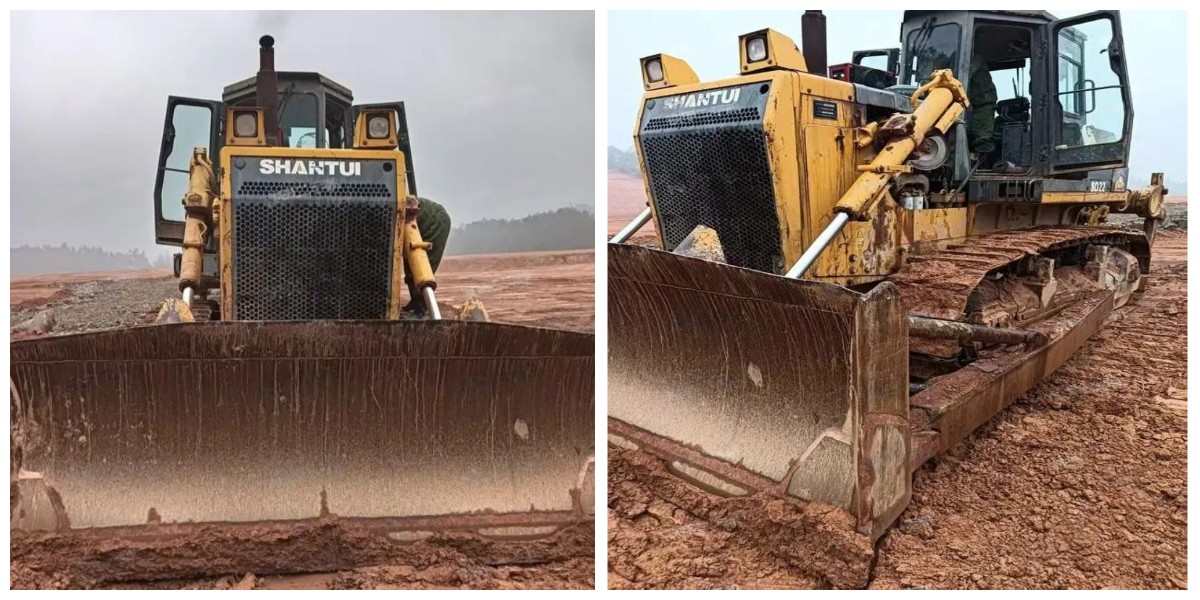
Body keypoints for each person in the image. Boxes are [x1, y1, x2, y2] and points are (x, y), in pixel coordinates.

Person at [403, 197, 452, 316]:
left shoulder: (405, 206)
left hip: (436, 222)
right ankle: (415, 300)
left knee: (421, 263)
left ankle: (422, 303)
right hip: (418, 223)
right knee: (408, 265)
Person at [967, 53, 998, 158]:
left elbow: (965, 74)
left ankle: (984, 165)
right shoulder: (954, 56)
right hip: (965, 104)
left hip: (982, 104)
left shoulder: (976, 59)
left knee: (983, 138)